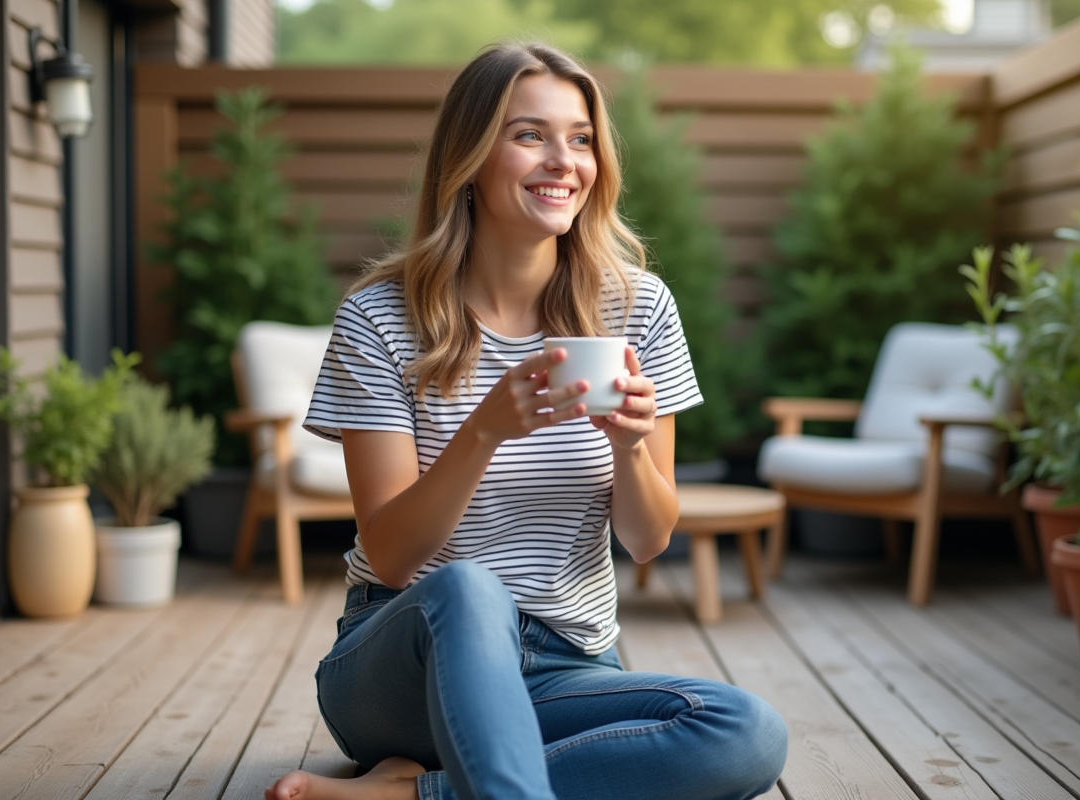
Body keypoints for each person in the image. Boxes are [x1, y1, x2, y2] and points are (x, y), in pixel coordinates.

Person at [266, 41, 788, 800]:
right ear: (470, 157)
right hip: (402, 662)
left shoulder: (638, 308)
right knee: (469, 588)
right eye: (528, 135)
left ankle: (412, 794)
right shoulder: (379, 319)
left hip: (565, 666)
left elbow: (648, 541)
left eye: (580, 139)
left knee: (744, 731)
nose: (562, 161)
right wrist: (484, 430)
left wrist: (631, 449)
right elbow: (390, 554)